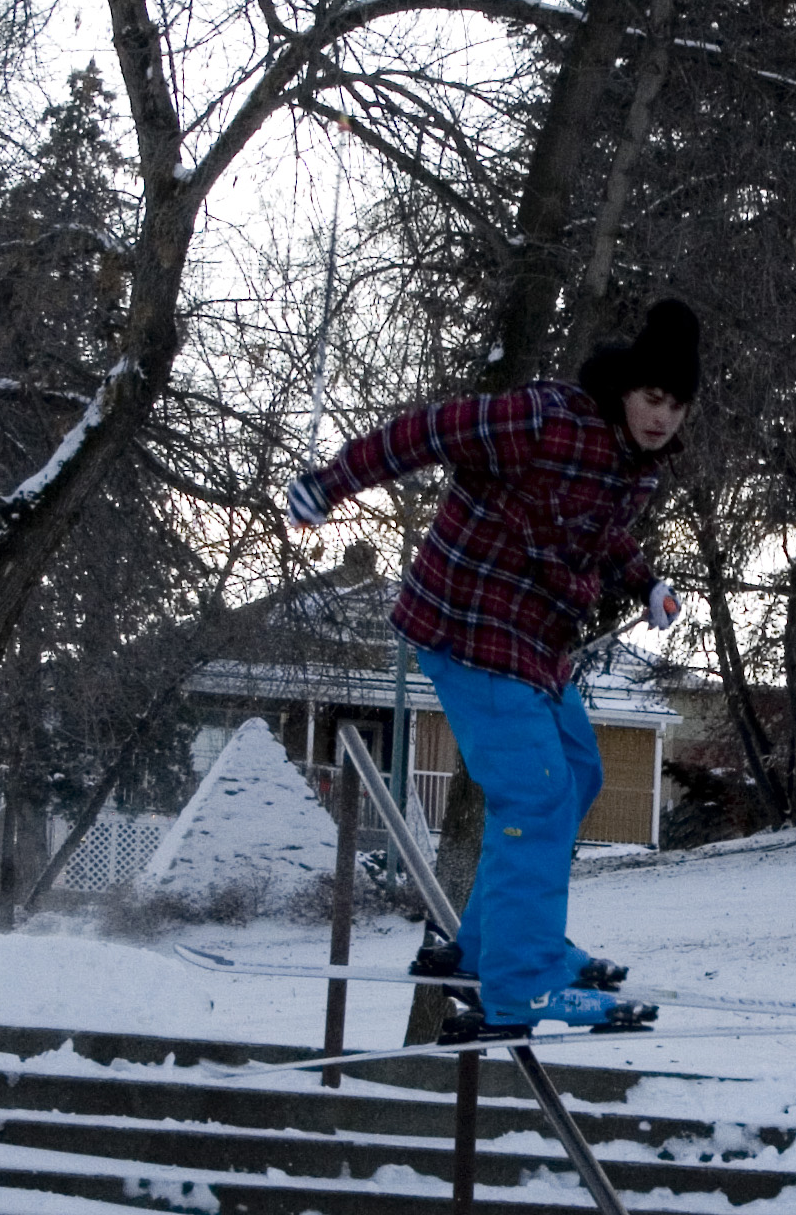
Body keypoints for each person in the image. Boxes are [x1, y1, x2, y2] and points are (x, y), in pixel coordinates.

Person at [284, 299, 699, 1041]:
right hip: (467, 625)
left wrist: (644, 582)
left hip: (533, 645)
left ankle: (488, 949)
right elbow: (427, 432)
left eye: (676, 405)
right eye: (651, 398)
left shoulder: (637, 471)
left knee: (578, 775)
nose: (661, 418)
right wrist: (333, 481)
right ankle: (519, 986)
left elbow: (594, 536)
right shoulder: (542, 418)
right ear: (626, 390)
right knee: (535, 796)